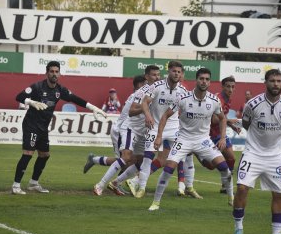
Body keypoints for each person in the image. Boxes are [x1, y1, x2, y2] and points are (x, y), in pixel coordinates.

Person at [11, 61, 107, 195]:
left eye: (57, 72)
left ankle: (33, 183)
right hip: (31, 125)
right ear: (47, 73)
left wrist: (92, 107)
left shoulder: (59, 90)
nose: (54, 74)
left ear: (60, 74)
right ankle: (16, 185)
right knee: (28, 154)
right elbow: (19, 96)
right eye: (52, 71)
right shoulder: (37, 87)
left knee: (44, 155)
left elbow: (75, 98)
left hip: (43, 127)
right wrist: (30, 101)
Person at [148, 68, 233, 211]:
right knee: (168, 168)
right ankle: (155, 202)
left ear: (210, 82)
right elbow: (164, 116)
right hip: (183, 140)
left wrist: (223, 137)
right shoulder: (182, 98)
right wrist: (159, 136)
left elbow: (222, 119)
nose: (204, 81)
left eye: (207, 79)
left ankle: (231, 198)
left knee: (224, 168)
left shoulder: (214, 100)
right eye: (201, 78)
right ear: (196, 80)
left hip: (203, 141)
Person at [231, 69, 281, 234]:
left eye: (279, 81)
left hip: (275, 156)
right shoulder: (253, 104)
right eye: (272, 81)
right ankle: (238, 228)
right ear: (265, 83)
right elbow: (245, 123)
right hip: (252, 153)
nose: (276, 84)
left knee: (280, 194)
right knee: (242, 188)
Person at [135, 61, 201, 199]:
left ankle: (188, 187)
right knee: (148, 158)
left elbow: (188, 109)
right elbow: (145, 102)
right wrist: (147, 115)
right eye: (174, 71)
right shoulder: (157, 86)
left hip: (174, 129)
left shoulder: (183, 91)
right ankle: (141, 188)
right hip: (154, 126)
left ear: (181, 74)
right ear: (169, 72)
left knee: (187, 157)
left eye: (179, 72)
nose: (176, 74)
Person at [92, 65, 161, 196]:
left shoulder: (161, 90)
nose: (157, 77)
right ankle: (100, 185)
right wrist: (145, 108)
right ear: (147, 77)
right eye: (153, 75)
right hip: (131, 129)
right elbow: (131, 111)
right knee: (126, 157)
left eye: (158, 75)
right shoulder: (142, 92)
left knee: (142, 161)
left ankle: (116, 182)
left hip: (145, 131)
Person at [83, 75, 147, 174]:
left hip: (129, 130)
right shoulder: (137, 96)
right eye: (146, 83)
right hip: (120, 131)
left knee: (132, 160)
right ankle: (116, 183)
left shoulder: (139, 96)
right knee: (125, 161)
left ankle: (94, 160)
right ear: (140, 85)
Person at [209, 76, 241, 194]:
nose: (231, 89)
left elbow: (222, 119)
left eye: (233, 87)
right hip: (210, 134)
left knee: (231, 158)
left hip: (220, 133)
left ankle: (226, 185)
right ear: (222, 87)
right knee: (210, 165)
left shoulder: (228, 99)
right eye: (228, 86)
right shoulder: (219, 99)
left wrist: (231, 125)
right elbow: (214, 120)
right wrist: (230, 121)